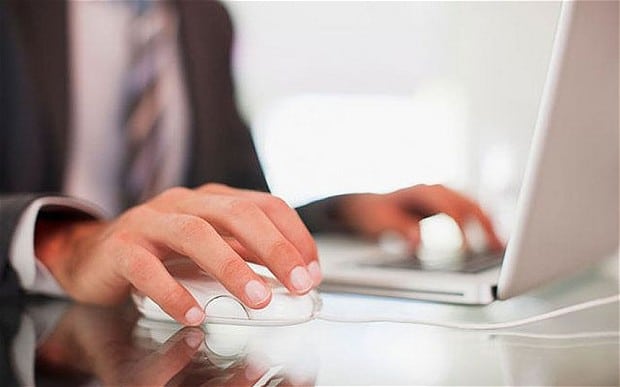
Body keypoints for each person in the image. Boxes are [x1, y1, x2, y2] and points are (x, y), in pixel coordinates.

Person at [0, 1, 502, 326]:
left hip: (166, 341)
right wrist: (63, 242)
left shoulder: (205, 19)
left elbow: (227, 201)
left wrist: (343, 213)